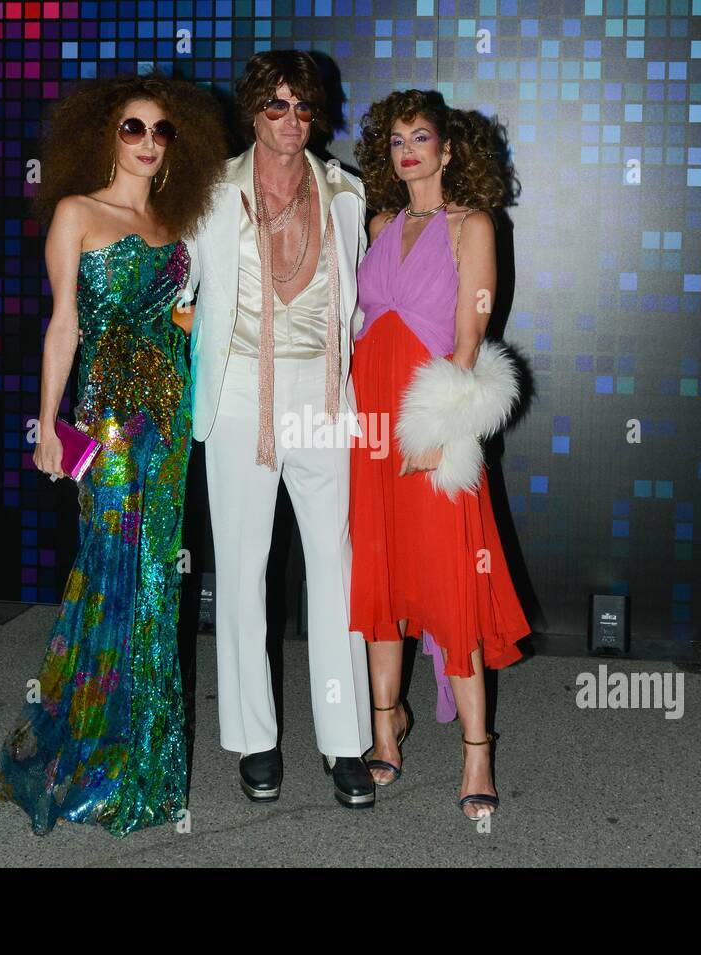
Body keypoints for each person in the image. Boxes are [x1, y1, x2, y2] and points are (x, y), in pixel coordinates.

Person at [0, 73, 226, 837]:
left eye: (162, 131)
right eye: (135, 128)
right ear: (107, 134)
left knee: (157, 579)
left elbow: (185, 324)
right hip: (109, 422)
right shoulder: (76, 212)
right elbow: (65, 325)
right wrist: (48, 424)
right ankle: (93, 756)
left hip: (169, 418)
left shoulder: (177, 223)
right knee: (115, 569)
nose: (150, 143)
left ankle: (144, 759)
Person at [178, 50, 375, 809]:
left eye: (302, 108)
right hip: (237, 395)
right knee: (243, 567)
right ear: (252, 112)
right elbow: (180, 287)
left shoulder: (347, 197)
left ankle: (344, 741)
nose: (290, 122)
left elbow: (354, 311)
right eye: (276, 107)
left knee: (336, 567)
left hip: (323, 395)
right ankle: (257, 738)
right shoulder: (211, 194)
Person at [350, 90, 530, 819]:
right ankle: (384, 728)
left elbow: (468, 339)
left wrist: (434, 432)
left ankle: (478, 749)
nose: (408, 151)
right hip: (367, 417)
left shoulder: (472, 226)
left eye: (421, 137)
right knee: (379, 577)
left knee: (453, 583)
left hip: (428, 422)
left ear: (449, 149)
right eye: (396, 140)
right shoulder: (378, 222)